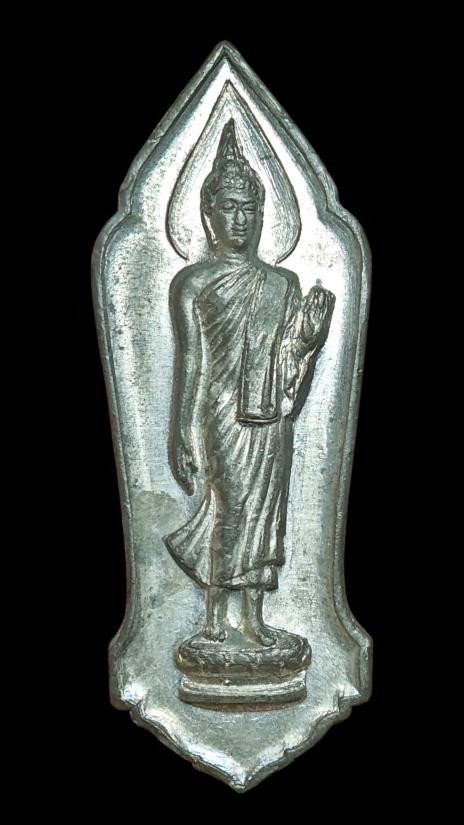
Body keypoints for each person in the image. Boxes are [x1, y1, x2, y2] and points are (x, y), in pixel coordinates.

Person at [164, 119, 334, 646]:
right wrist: (179, 433)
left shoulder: (282, 282)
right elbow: (190, 363)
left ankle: (254, 617)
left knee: (267, 513)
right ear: (209, 214)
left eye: (251, 209)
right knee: (231, 507)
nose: (241, 219)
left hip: (269, 418)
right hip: (221, 414)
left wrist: (308, 338)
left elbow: (289, 366)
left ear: (262, 215)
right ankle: (214, 615)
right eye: (230, 207)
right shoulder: (193, 283)